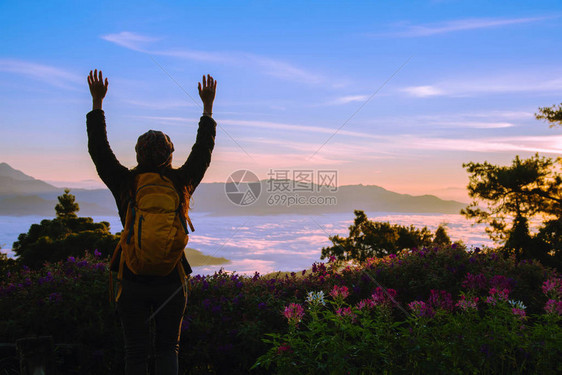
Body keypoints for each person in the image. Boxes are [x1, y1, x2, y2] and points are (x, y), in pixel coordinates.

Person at [86, 69, 217, 374]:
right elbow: (203, 152)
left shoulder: (125, 183)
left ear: (137, 154)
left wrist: (97, 103)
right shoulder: (181, 182)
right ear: (170, 155)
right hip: (171, 280)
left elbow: (99, 151)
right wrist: (207, 108)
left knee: (135, 352)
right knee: (167, 349)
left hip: (131, 278)